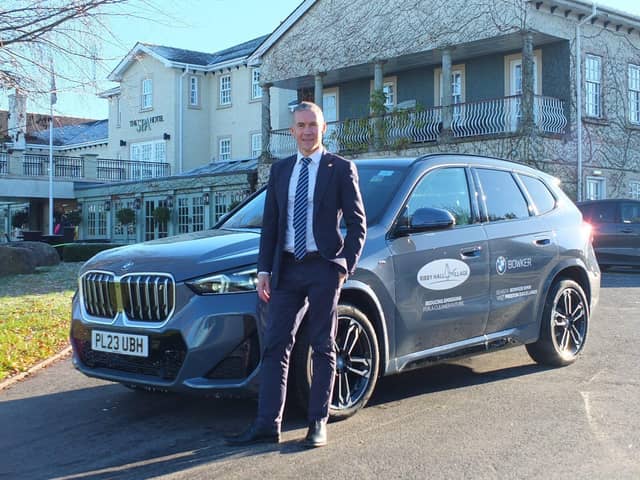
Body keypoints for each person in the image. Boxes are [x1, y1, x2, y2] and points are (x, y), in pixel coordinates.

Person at [226, 101, 366, 448]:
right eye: (300, 125)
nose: (307, 131)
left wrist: (343, 266)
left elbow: (357, 224)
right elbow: (270, 225)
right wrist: (264, 270)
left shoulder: (340, 168)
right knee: (275, 346)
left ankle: (318, 422)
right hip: (286, 268)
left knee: (322, 345)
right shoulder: (281, 170)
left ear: (324, 129)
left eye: (313, 125)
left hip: (323, 267)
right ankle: (266, 425)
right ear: (292, 131)